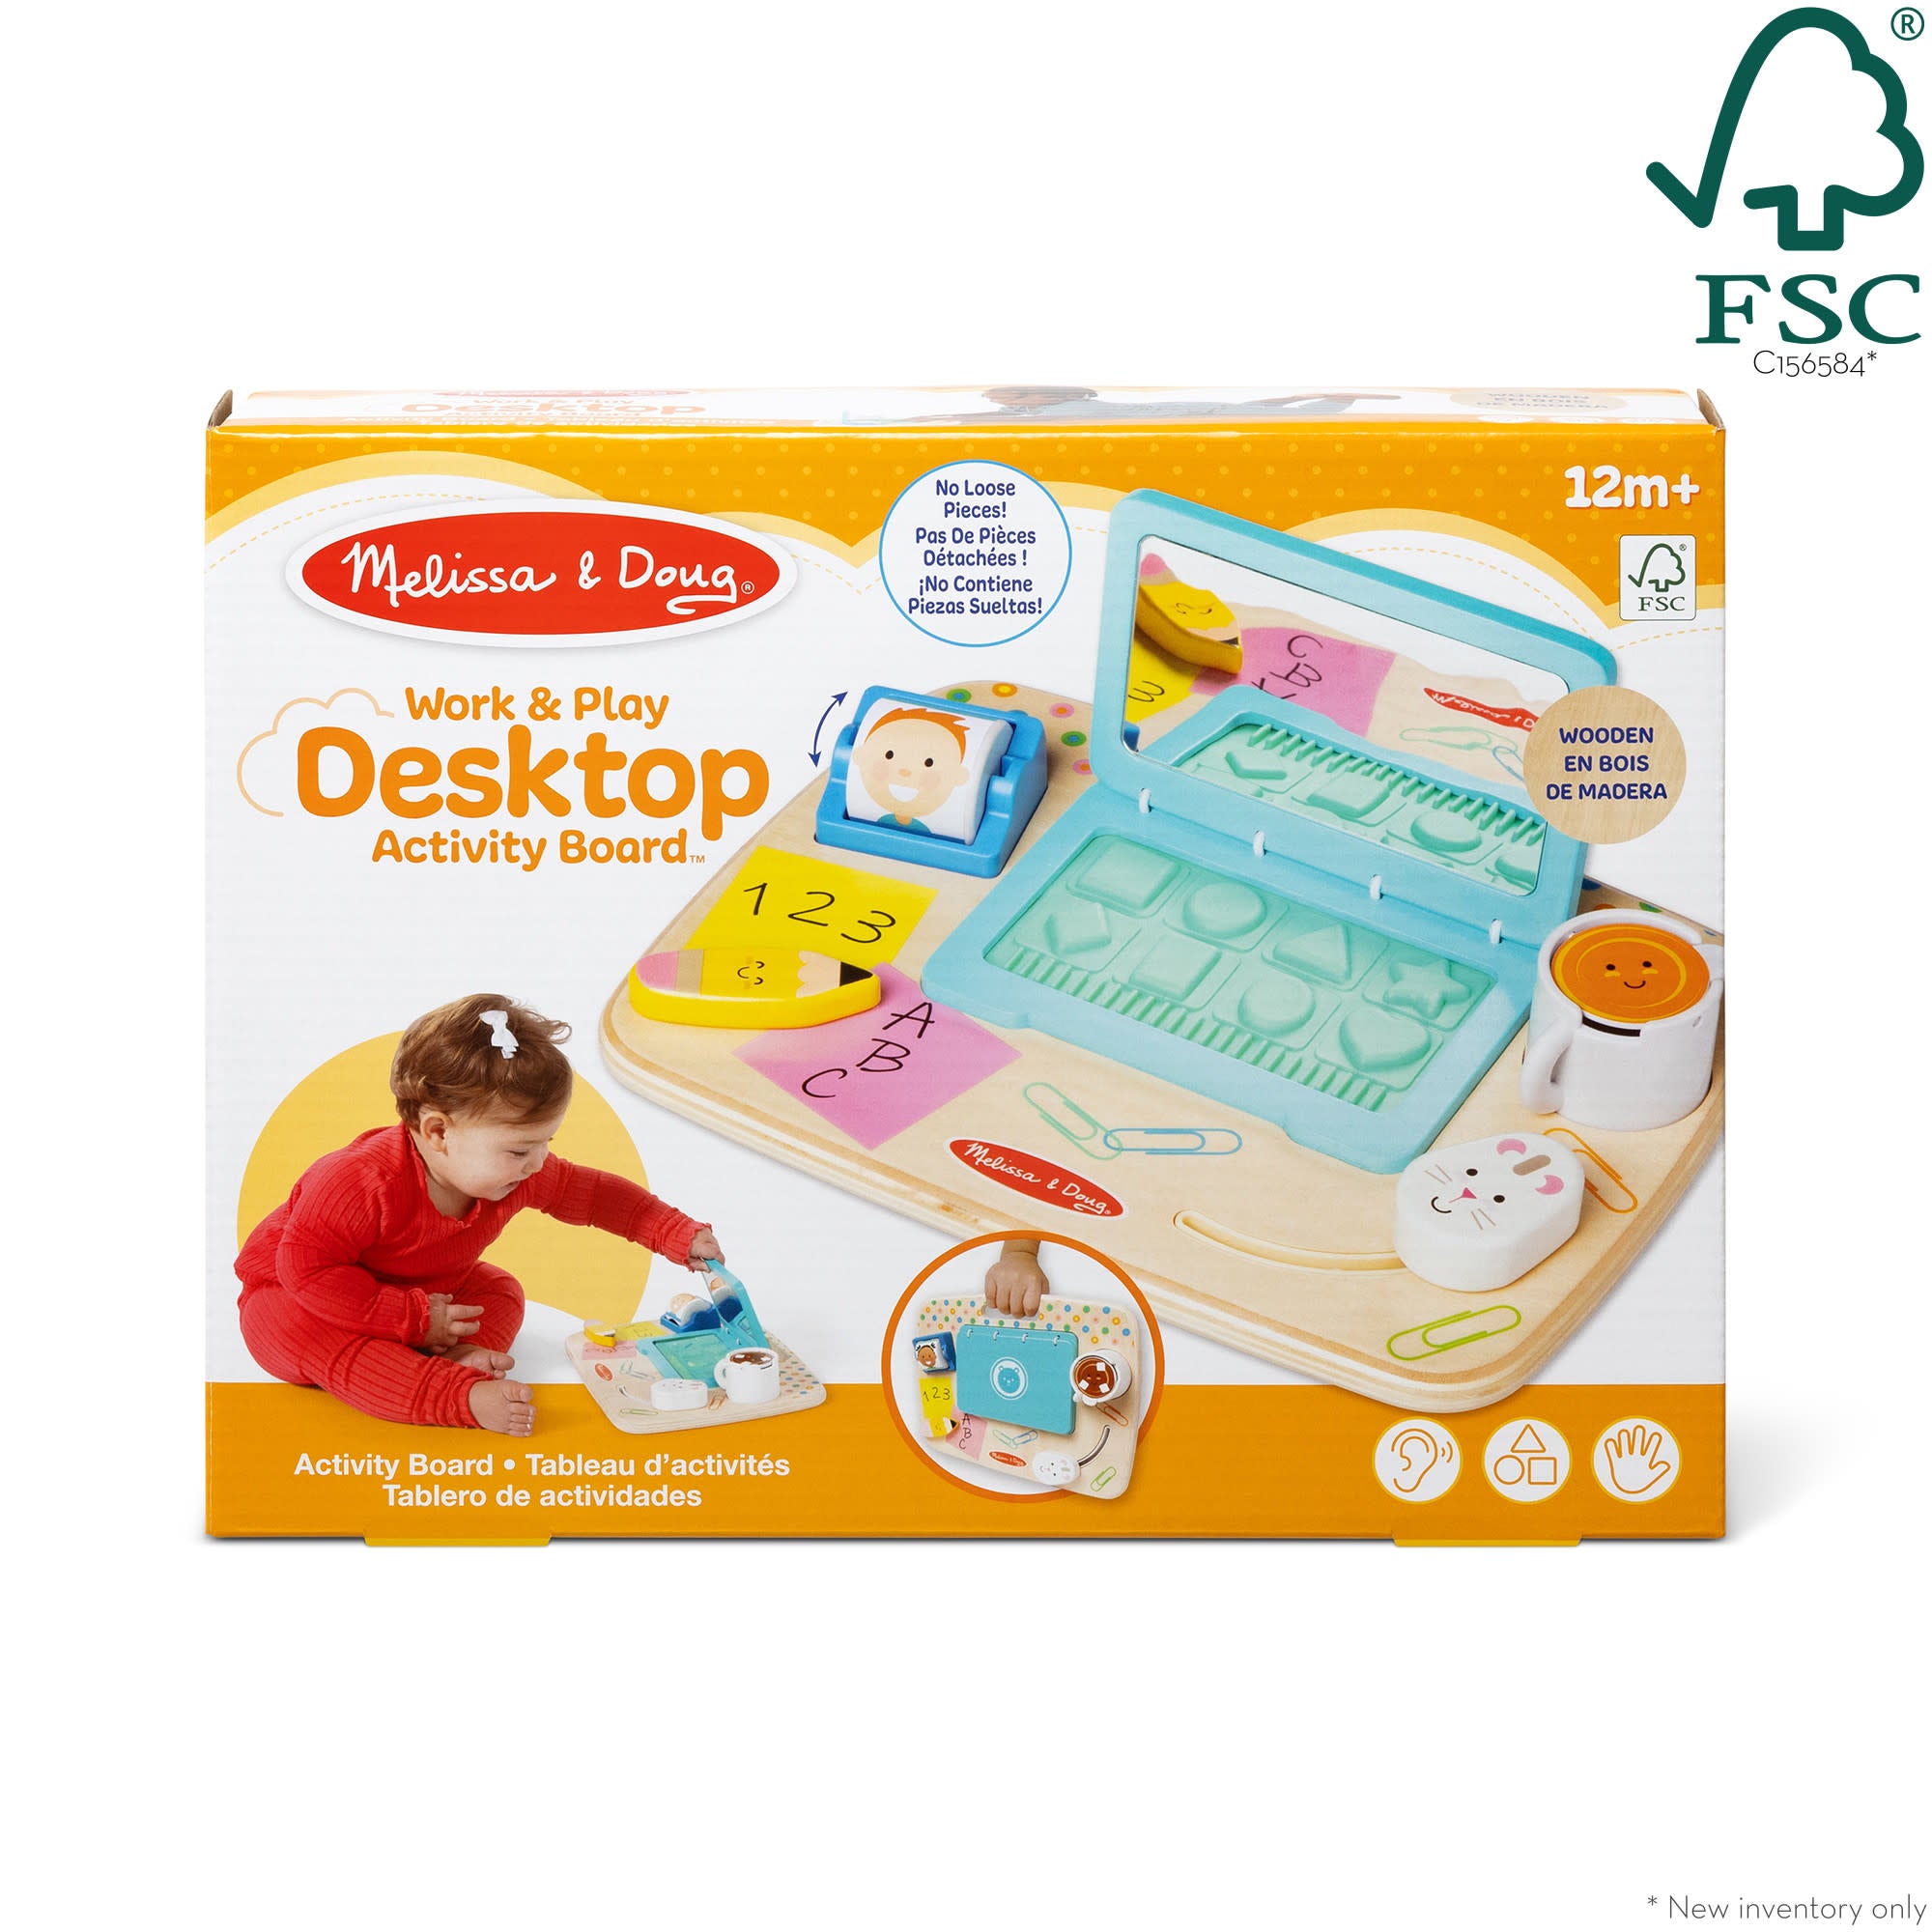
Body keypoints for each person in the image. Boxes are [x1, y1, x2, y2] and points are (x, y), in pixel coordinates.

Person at [235, 994, 720, 1435]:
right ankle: (454, 1395)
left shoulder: (519, 1173)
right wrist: (409, 1316)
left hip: (419, 1293)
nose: (537, 1163)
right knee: (309, 1335)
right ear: (438, 1133)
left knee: (500, 1291)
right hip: (300, 1296)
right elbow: (308, 1271)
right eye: (520, 1150)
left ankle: (457, 1355)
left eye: (546, 1143)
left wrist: (674, 1232)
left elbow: (596, 1197)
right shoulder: (358, 1182)